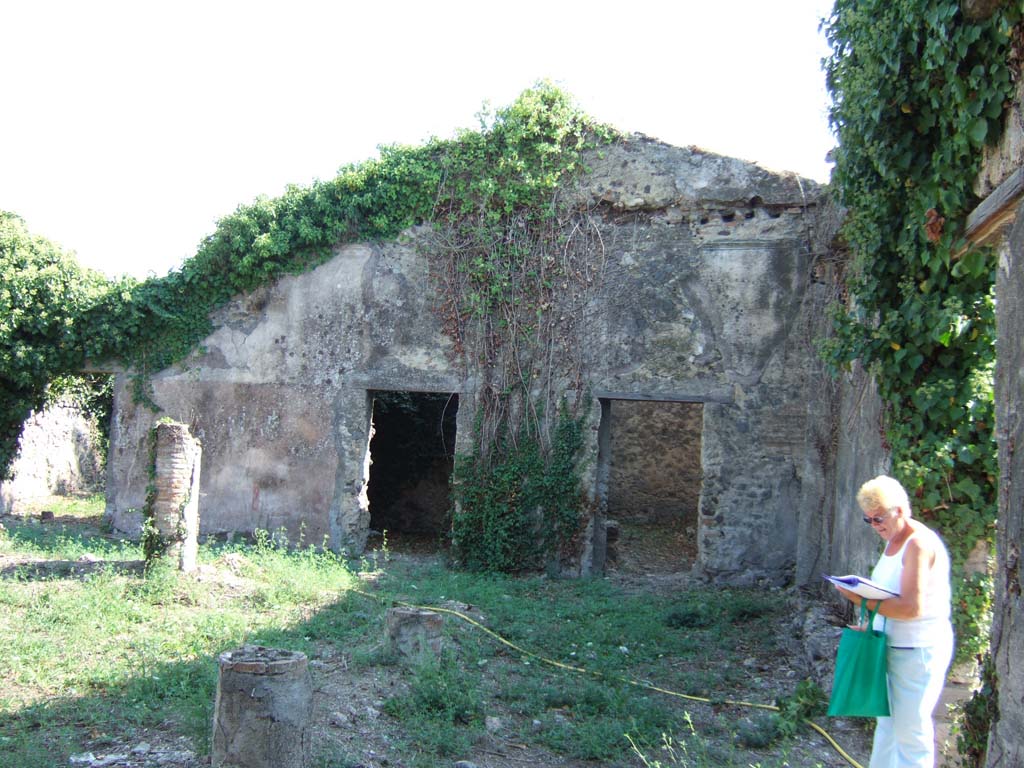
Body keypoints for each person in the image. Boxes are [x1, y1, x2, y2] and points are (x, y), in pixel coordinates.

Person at [833, 474, 953, 768]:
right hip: (890, 646)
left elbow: (912, 608)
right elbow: (889, 596)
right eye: (869, 520)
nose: (875, 526)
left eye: (879, 518)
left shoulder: (918, 545)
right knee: (886, 729)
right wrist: (871, 623)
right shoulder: (894, 540)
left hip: (917, 651)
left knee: (911, 734)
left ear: (899, 509)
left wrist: (858, 599)